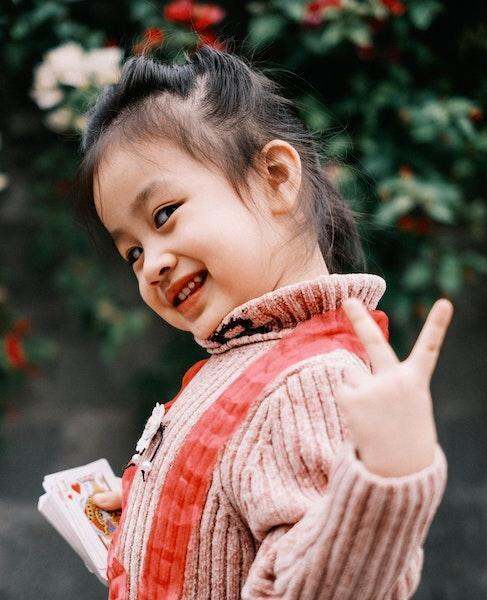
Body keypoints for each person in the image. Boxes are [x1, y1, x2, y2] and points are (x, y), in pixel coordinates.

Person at [78, 44, 452, 599]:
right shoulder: (243, 364)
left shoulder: (310, 383)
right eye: (131, 252)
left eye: (163, 216)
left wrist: (390, 473)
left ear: (275, 178)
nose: (151, 263)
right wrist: (151, 507)